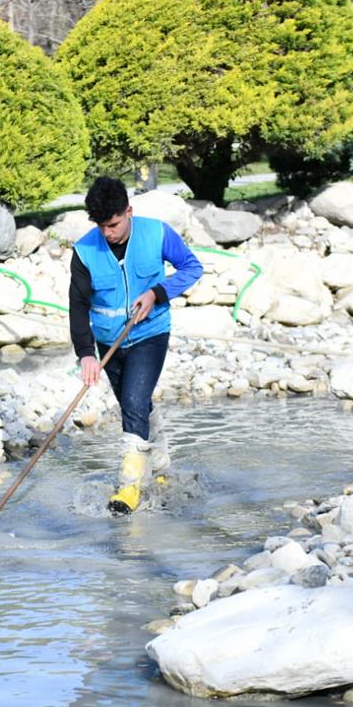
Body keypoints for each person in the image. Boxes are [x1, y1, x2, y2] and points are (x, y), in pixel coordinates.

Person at [68, 177, 203, 515]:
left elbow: (192, 267)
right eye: (101, 226)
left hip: (150, 334)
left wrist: (157, 293)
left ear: (128, 211)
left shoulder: (156, 234)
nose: (107, 233)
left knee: (132, 402)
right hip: (107, 341)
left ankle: (129, 487)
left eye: (113, 224)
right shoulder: (84, 251)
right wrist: (86, 353)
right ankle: (159, 467)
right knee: (137, 404)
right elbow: (78, 306)